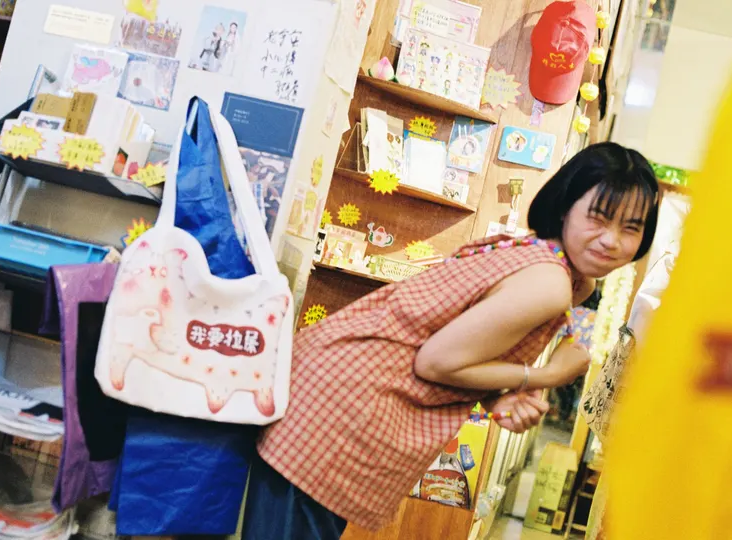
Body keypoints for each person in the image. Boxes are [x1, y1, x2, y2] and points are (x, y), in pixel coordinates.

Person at [242, 142, 661, 540]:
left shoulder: (536, 254)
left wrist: (496, 397)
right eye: (598, 218)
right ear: (566, 207)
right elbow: (436, 361)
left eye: (631, 227)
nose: (612, 240)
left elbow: (455, 342)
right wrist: (546, 375)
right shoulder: (550, 283)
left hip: (331, 388)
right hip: (344, 415)